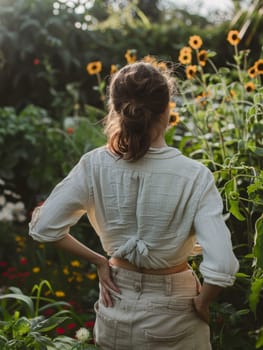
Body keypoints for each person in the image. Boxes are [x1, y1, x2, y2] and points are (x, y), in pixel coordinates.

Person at [29, 62, 239, 349]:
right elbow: (222, 264)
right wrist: (203, 302)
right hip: (175, 313)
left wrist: (99, 261)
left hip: (114, 307)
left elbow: (43, 227)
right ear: (168, 109)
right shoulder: (194, 175)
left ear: (116, 111)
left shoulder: (95, 164)